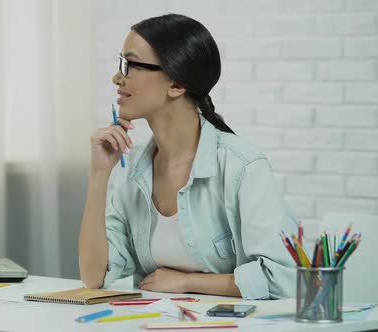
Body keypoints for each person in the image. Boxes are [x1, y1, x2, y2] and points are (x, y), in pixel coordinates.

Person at [78, 13, 298, 299]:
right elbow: (94, 277)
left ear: (176, 85)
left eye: (130, 65)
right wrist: (98, 175)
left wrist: (186, 282)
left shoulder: (242, 166)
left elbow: (285, 278)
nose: (117, 77)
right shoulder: (131, 168)